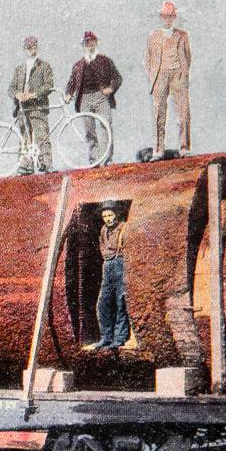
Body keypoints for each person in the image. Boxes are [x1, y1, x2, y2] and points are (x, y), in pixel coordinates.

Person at [64, 31, 122, 165]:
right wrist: (68, 94)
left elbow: (117, 78)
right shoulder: (78, 65)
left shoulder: (105, 61)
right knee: (89, 129)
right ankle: (94, 160)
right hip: (84, 98)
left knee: (105, 125)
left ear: (96, 43)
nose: (89, 46)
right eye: (86, 43)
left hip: (101, 97)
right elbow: (71, 83)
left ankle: (108, 159)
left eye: (92, 43)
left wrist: (111, 88)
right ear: (83, 45)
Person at [145, 0, 192, 160]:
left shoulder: (182, 35)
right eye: (165, 16)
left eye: (171, 16)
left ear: (175, 17)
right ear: (161, 17)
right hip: (160, 76)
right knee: (158, 113)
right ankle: (158, 150)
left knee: (183, 112)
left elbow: (188, 57)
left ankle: (184, 148)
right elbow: (148, 58)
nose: (168, 19)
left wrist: (183, 74)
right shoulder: (153, 36)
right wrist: (153, 76)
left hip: (177, 75)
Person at [7, 36, 54, 173]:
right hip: (22, 108)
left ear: (37, 46)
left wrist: (32, 94)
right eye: (28, 46)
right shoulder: (19, 69)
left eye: (34, 46)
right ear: (24, 49)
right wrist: (18, 95)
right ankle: (25, 166)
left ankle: (46, 164)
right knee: (24, 137)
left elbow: (49, 86)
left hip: (38, 106)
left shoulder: (44, 66)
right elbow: (11, 88)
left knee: (42, 135)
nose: (31, 48)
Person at [91, 200, 131, 350]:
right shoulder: (103, 230)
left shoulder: (124, 228)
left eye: (110, 215)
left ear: (117, 214)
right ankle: (106, 338)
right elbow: (103, 247)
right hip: (107, 266)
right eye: (105, 216)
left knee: (121, 302)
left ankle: (119, 339)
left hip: (120, 264)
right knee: (102, 304)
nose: (107, 219)